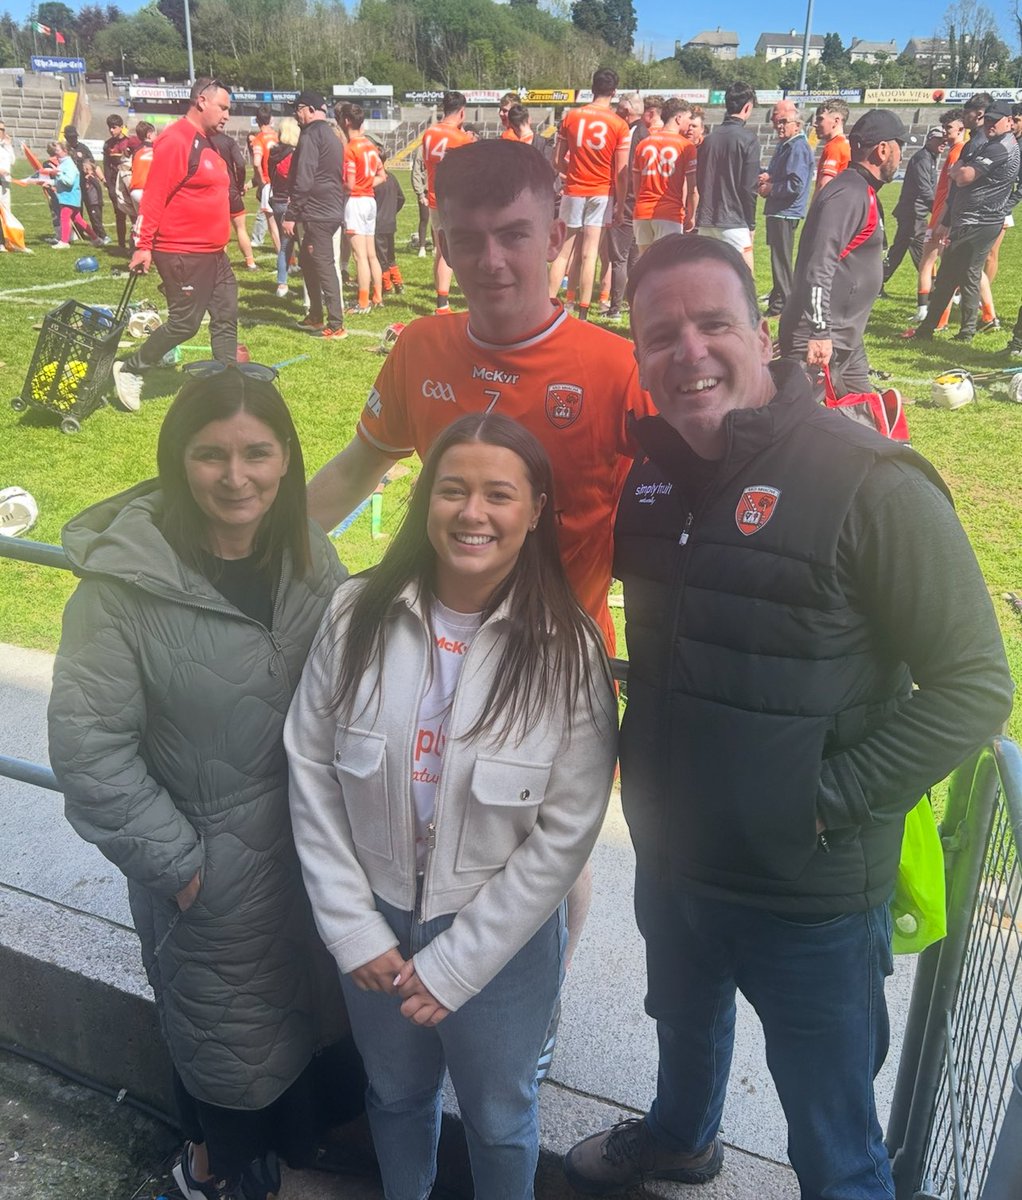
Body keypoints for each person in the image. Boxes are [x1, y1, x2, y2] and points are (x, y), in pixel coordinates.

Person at [562, 232, 1014, 1200]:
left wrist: (819, 799)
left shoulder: (869, 480)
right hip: (674, 858)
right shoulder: (646, 481)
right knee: (679, 1025)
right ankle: (680, 1139)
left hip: (806, 893)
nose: (686, 352)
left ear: (757, 332)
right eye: (659, 335)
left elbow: (973, 683)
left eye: (711, 323)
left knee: (830, 1142)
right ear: (638, 356)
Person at [286, 412, 618, 1200]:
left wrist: (461, 962)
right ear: (425, 500)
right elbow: (309, 768)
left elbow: (568, 826)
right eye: (453, 490)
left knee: (502, 1118)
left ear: (535, 509)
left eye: (498, 494)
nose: (473, 513)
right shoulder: (353, 615)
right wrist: (350, 926)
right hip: (376, 931)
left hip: (498, 941)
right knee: (394, 1099)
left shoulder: (568, 650)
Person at [48, 365, 354, 1200]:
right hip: (211, 878)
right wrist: (182, 866)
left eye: (258, 453)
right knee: (228, 1053)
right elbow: (88, 750)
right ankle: (208, 1176)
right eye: (211, 454)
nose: (236, 476)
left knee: (310, 1029)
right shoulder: (121, 593)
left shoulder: (309, 556)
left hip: (310, 857)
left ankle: (284, 1165)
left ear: (287, 460)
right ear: (178, 457)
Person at [113, 78, 237, 412]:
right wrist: (143, 245)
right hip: (183, 251)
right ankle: (130, 369)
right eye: (223, 107)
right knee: (185, 323)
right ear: (201, 101)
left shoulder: (209, 143)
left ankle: (228, 384)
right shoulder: (177, 140)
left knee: (226, 313)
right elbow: (154, 196)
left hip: (214, 252)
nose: (227, 114)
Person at [779, 109, 906, 401]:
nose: (899, 158)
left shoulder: (863, 190)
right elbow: (818, 266)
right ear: (883, 150)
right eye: (898, 148)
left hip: (846, 339)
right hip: (821, 340)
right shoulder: (849, 193)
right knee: (794, 427)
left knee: (866, 417)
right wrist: (819, 331)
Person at [912, 101, 1020, 344]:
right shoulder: (987, 143)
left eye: (995, 120)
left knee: (965, 274)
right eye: (987, 119)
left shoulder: (1000, 147)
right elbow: (959, 180)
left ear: (1009, 122)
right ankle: (940, 329)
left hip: (982, 221)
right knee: (955, 274)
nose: (989, 123)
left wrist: (959, 170)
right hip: (971, 219)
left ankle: (966, 329)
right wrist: (947, 219)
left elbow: (963, 177)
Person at [548, 68, 630, 321]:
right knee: (590, 252)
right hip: (601, 191)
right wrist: (619, 203)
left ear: (591, 87)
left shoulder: (572, 117)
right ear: (614, 92)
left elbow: (557, 160)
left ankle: (550, 305)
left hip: (574, 188)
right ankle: (584, 311)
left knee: (563, 251)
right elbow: (621, 171)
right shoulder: (619, 124)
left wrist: (570, 171)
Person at [282, 91, 347, 341]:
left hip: (317, 212)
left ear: (308, 109)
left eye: (297, 109)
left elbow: (304, 177)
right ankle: (316, 315)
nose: (295, 114)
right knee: (309, 263)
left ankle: (336, 322)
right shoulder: (331, 134)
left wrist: (291, 213)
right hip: (328, 208)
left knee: (323, 264)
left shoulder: (310, 135)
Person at [695, 81, 759, 272]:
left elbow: (700, 180)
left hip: (707, 221)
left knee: (711, 277)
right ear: (747, 107)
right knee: (745, 279)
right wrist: (751, 224)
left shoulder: (708, 141)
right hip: (734, 221)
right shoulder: (748, 140)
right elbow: (749, 188)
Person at [758, 101, 813, 317]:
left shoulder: (797, 146)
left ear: (797, 124)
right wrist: (768, 175)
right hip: (779, 210)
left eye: (783, 121)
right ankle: (778, 301)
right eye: (775, 122)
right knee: (778, 259)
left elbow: (795, 184)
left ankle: (786, 306)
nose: (778, 126)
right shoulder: (787, 145)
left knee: (781, 260)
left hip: (785, 211)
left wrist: (771, 188)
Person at [421, 91, 474, 313]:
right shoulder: (462, 139)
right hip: (456, 200)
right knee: (461, 249)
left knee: (441, 249)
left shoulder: (428, 134)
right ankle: (468, 295)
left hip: (435, 196)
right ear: (462, 112)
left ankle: (442, 301)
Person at [914, 108, 966, 324]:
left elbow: (952, 190)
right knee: (955, 265)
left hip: (941, 216)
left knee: (928, 262)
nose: (945, 132)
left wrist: (943, 219)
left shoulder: (957, 152)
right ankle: (982, 311)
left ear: (962, 128)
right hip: (945, 214)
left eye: (949, 128)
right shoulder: (958, 151)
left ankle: (924, 310)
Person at [632, 98, 696, 254]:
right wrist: (691, 214)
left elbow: (635, 184)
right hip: (669, 213)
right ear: (678, 118)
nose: (689, 125)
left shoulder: (644, 144)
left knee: (644, 263)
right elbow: (693, 188)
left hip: (642, 211)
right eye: (688, 119)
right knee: (667, 266)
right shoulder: (686, 146)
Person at [340, 105, 386, 314]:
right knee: (371, 254)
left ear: (347, 121)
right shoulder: (370, 146)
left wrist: (340, 185)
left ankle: (363, 302)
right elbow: (382, 176)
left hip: (356, 201)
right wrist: (367, 183)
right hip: (369, 201)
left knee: (359, 256)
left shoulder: (351, 148)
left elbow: (349, 184)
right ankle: (378, 296)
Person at [47, 140, 101, 249]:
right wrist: (50, 182)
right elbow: (61, 180)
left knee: (64, 217)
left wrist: (57, 173)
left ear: (65, 151)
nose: (55, 152)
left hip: (69, 197)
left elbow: (69, 181)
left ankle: (64, 242)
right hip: (69, 197)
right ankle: (96, 239)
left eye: (57, 150)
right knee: (78, 220)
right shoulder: (63, 163)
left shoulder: (69, 164)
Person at [268, 116, 299, 300]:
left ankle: (282, 283)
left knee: (284, 245)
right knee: (292, 245)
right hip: (289, 202)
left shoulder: (274, 153)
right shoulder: (292, 154)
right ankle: (284, 283)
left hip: (276, 199)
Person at [103, 113, 139, 248]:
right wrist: (110, 187)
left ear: (121, 127)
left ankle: (136, 243)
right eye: (109, 128)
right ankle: (121, 245)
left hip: (129, 182)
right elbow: (106, 166)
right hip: (115, 183)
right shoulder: (108, 144)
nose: (111, 130)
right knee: (119, 215)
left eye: (114, 127)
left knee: (134, 215)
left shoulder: (130, 142)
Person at [373, 150, 405, 297]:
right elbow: (401, 198)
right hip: (390, 223)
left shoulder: (374, 180)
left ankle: (386, 286)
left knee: (381, 257)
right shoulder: (392, 177)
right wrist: (392, 211)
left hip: (377, 224)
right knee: (391, 255)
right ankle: (398, 283)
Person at [250, 105, 280, 254]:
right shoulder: (278, 136)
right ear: (271, 119)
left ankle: (285, 262)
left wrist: (261, 181)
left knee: (273, 225)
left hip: (269, 184)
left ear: (257, 120)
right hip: (282, 183)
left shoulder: (258, 139)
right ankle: (293, 260)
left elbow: (256, 162)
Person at [813, 98, 850, 194]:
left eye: (820, 119)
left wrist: (814, 208)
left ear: (836, 121)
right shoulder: (845, 145)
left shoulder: (834, 147)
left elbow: (824, 186)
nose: (815, 124)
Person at [409, 141, 431, 257]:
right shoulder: (421, 151)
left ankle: (437, 247)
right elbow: (416, 172)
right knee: (424, 218)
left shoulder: (440, 149)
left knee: (437, 221)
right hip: (425, 190)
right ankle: (422, 246)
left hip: (436, 190)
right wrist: (420, 193)